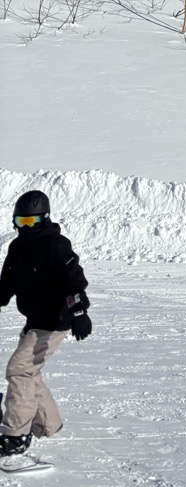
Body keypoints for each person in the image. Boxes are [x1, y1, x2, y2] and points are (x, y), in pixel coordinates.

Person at [0, 190, 92, 461]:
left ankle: (16, 434)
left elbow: (73, 279)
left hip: (55, 321)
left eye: (31, 223)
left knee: (19, 370)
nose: (25, 229)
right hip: (35, 320)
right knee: (30, 371)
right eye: (20, 223)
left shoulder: (56, 245)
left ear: (44, 220)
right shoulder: (17, 248)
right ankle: (49, 424)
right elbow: (5, 284)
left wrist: (79, 312)